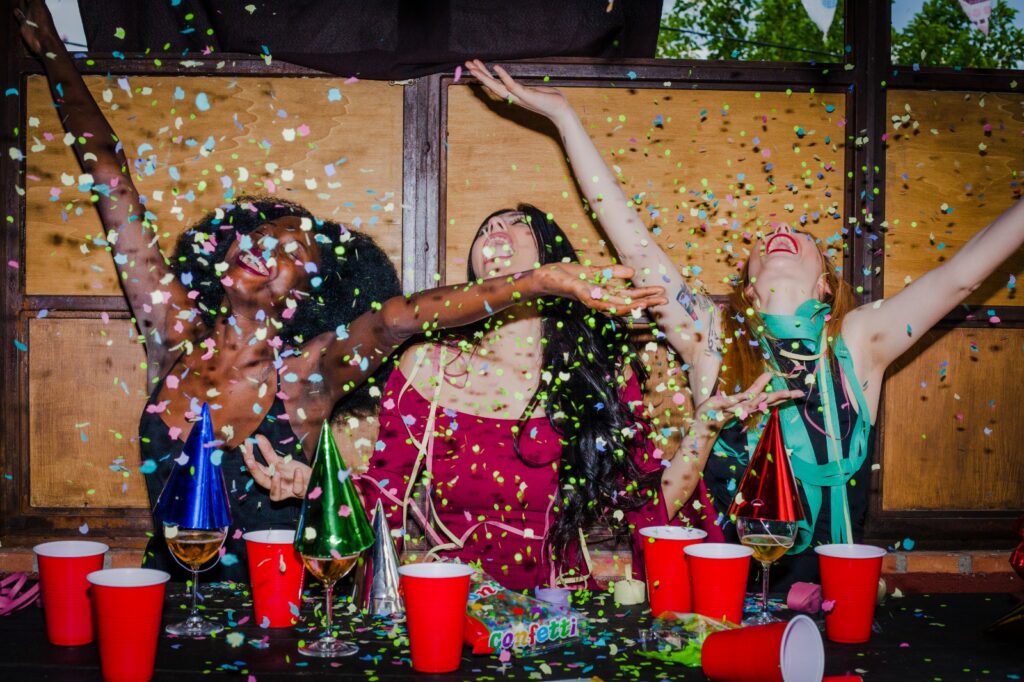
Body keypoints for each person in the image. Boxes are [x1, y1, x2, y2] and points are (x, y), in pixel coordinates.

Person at [17, 3, 666, 581]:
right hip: (161, 602)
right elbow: (110, 175)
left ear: (308, 296)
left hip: (283, 611)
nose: (265, 249)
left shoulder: (307, 377)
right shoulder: (173, 330)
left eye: (291, 253)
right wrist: (51, 50)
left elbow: (398, 320)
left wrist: (543, 278)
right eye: (259, 236)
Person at [464, 60, 1024, 588]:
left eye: (800, 234)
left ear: (826, 285)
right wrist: (564, 117)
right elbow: (633, 243)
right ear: (749, 288)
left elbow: (961, 276)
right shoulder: (712, 337)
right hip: (719, 606)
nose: (780, 229)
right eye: (766, 238)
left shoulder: (858, 340)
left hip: (832, 614)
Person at [244, 68, 798, 592]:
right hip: (456, 607)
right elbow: (382, 500)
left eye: (518, 226)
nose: (496, 233)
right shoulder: (427, 365)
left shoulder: (597, 378)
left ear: (556, 263)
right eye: (487, 229)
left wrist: (704, 428)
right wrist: (318, 486)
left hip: (565, 619)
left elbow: (648, 513)